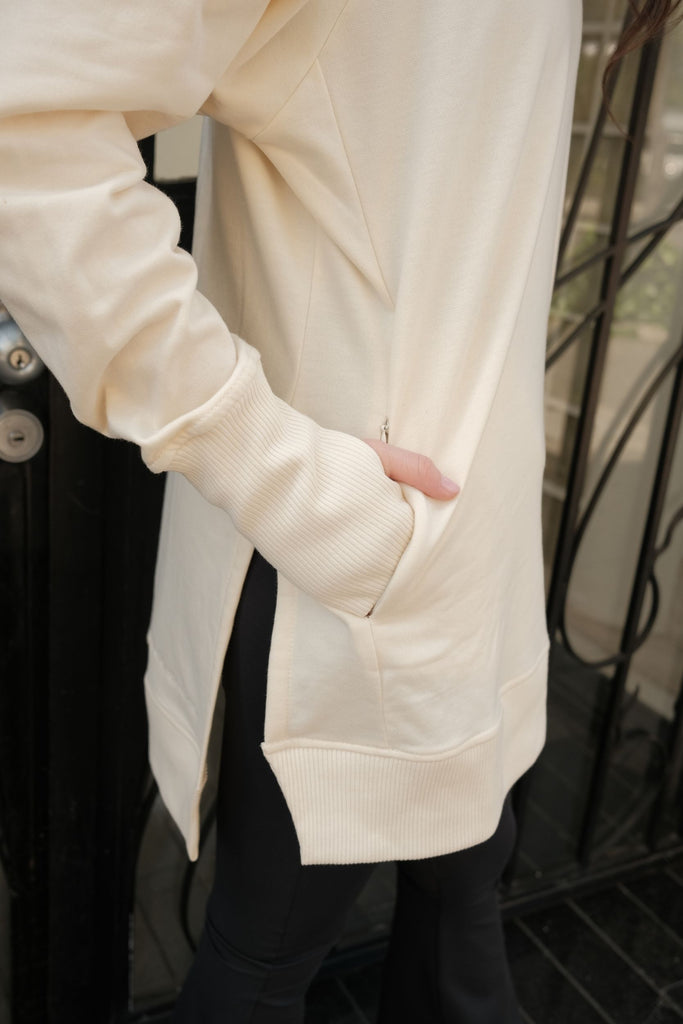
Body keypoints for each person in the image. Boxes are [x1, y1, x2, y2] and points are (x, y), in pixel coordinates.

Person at [0, 1, 679, 1021]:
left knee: (461, 897)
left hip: (468, 551)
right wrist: (281, 469)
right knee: (268, 959)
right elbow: (21, 120)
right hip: (345, 564)